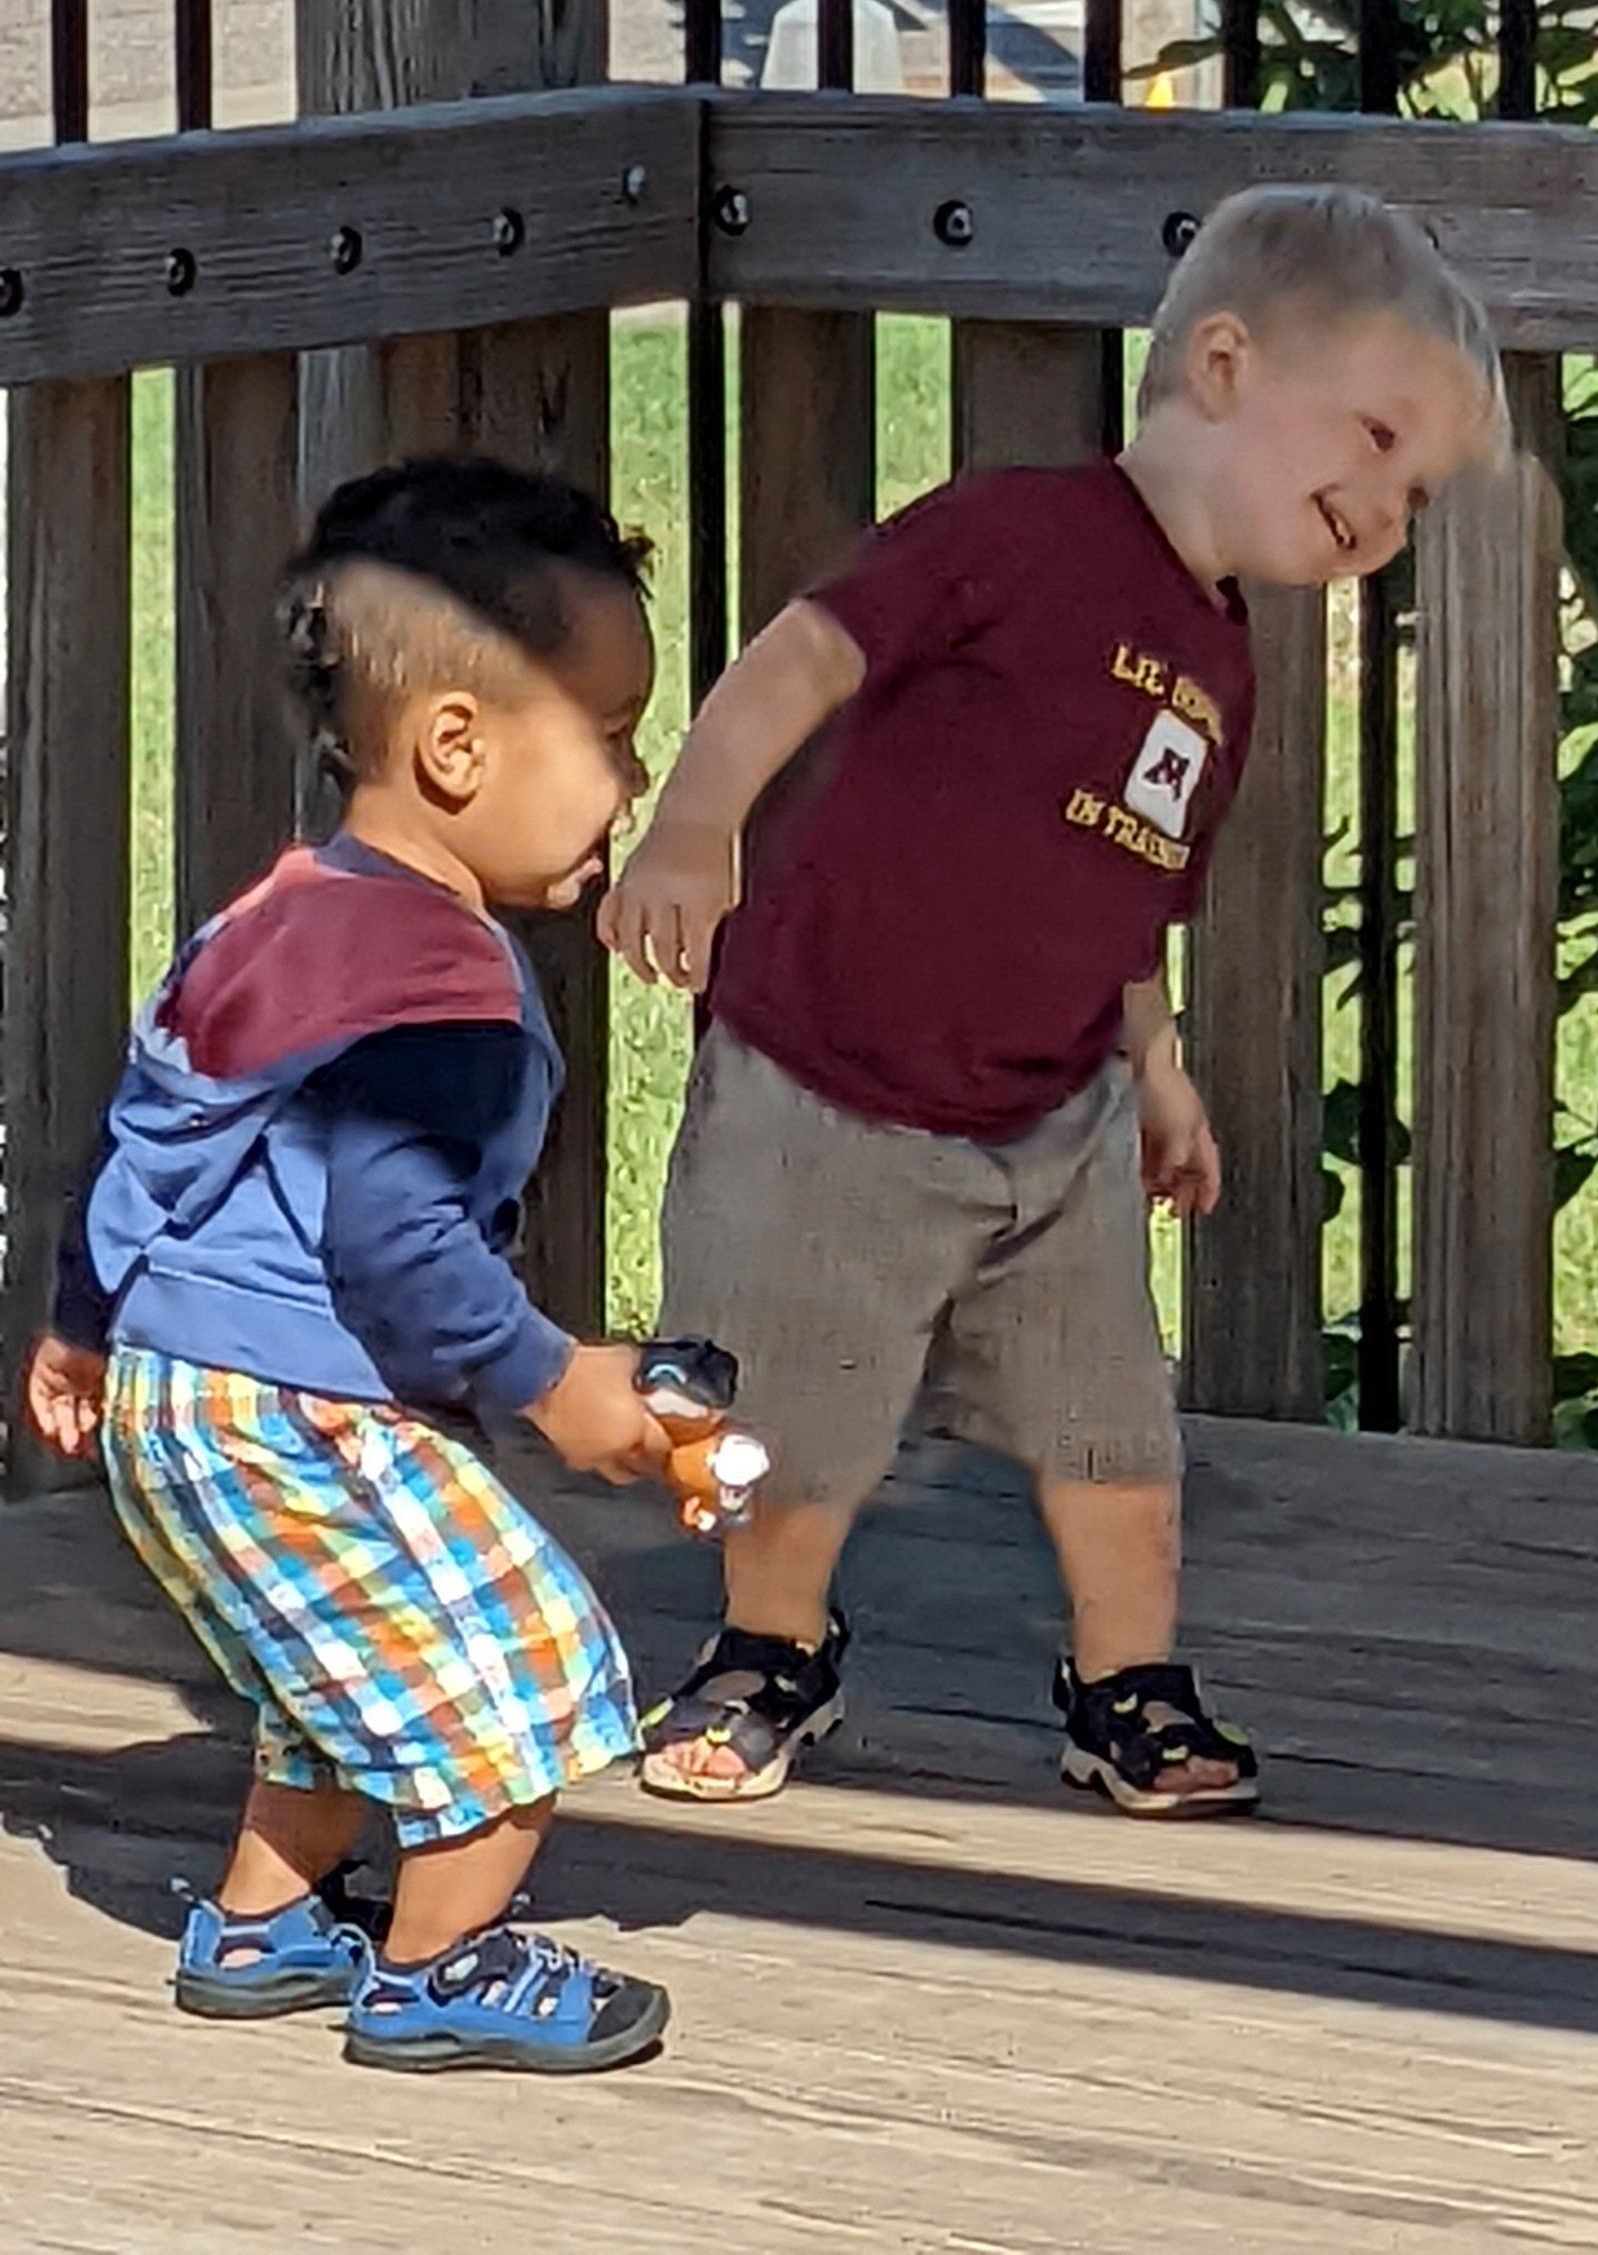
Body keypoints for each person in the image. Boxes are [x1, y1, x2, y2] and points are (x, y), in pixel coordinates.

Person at [601, 185, 1508, 1818]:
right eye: (1375, 440)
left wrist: (1155, 1069)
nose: (1388, 509)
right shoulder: (1015, 533)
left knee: (1118, 1438)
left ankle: (1130, 1687)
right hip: (831, 1083)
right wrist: (691, 822)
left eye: (1418, 489)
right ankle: (766, 1654)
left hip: (1055, 1111)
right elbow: (804, 656)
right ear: (1223, 364)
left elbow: (1125, 893)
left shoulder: (1222, 663)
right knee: (795, 1418)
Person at [27, 458, 686, 2075]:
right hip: (293, 1401)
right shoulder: (442, 985)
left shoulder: (277, 911)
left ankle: (258, 1924)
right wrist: (558, 1383)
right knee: (515, 1664)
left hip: (175, 1402)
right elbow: (389, 1235)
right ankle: (442, 1961)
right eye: (608, 734)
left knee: (344, 1664)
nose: (637, 771)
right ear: (456, 746)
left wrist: (81, 1324)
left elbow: (152, 1124)